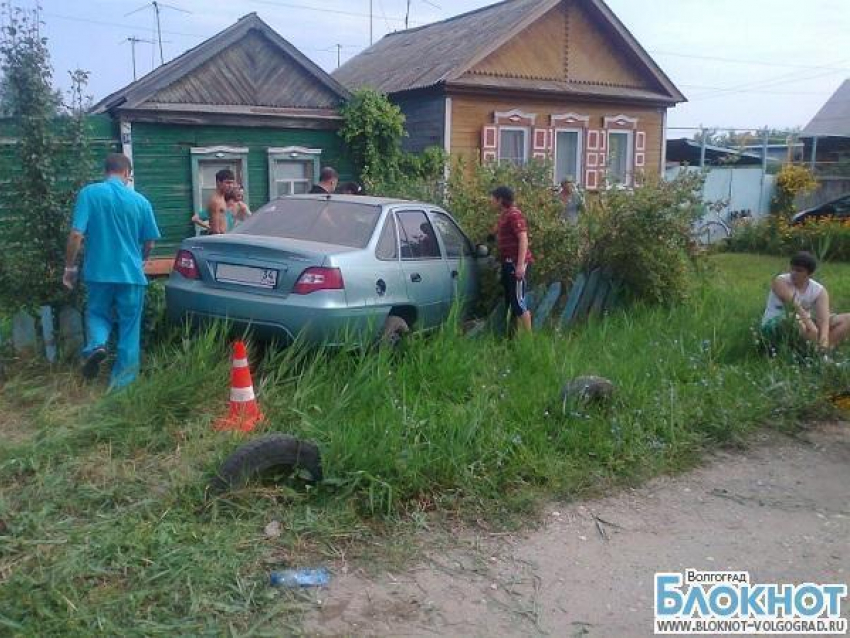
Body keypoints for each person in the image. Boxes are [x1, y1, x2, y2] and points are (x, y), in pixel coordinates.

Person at [62, 153, 160, 389]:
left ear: (105, 171)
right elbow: (150, 243)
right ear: (126, 173)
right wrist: (141, 260)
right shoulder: (141, 201)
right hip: (131, 275)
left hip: (98, 272)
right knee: (129, 328)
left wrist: (69, 268)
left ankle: (97, 345)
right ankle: (121, 386)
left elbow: (76, 235)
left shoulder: (89, 194)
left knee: (97, 314)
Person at [761, 251, 850, 350]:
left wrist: (823, 340)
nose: (793, 273)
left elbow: (823, 320)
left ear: (809, 274)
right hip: (777, 323)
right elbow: (795, 307)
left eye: (799, 270)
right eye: (792, 269)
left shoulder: (819, 290)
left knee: (847, 319)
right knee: (795, 320)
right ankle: (810, 352)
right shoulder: (780, 281)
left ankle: (822, 351)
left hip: (805, 325)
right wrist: (812, 328)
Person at [491, 185, 533, 333]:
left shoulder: (514, 214)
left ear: (500, 199)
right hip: (507, 263)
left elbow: (523, 238)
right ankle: (516, 337)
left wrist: (520, 265)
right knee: (511, 302)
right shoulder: (505, 215)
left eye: (493, 198)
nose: (491, 201)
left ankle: (528, 341)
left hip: (516, 263)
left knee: (518, 302)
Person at [191, 168, 235, 235]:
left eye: (232, 183)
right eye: (227, 182)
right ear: (218, 182)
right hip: (220, 240)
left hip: (225, 237)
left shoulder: (222, 198)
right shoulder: (216, 201)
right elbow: (215, 230)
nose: (231, 186)